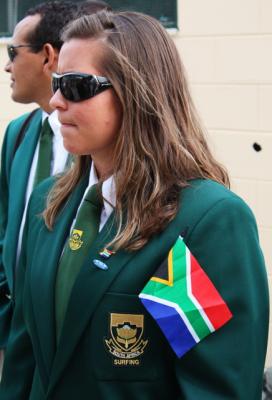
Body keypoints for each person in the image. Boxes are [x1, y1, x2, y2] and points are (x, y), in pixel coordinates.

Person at [0, 10, 269, 400]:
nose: (56, 101)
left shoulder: (199, 223)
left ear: (137, 92)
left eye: (76, 86)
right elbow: (25, 359)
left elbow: (213, 386)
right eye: (57, 83)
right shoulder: (49, 203)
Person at [0, 0, 110, 372]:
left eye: (14, 52)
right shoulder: (17, 136)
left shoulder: (103, 163)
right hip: (21, 337)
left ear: (47, 55)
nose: (7, 64)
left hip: (76, 347)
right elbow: (6, 234)